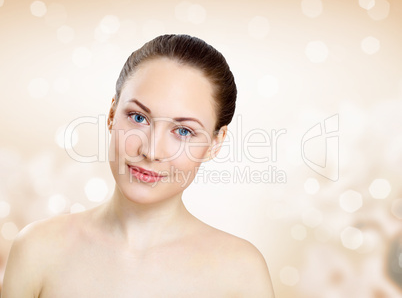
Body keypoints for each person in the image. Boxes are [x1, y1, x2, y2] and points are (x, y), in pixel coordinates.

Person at [1, 34, 275, 297]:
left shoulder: (241, 272)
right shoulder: (37, 249)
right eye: (138, 118)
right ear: (111, 114)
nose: (151, 150)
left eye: (183, 131)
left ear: (216, 143)